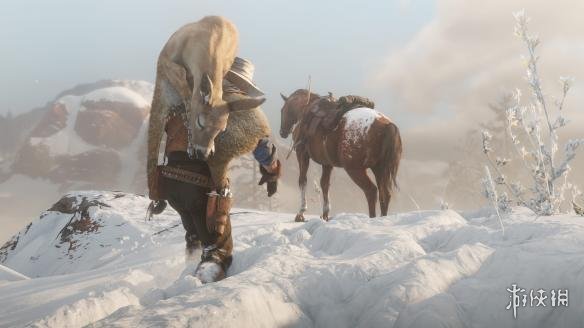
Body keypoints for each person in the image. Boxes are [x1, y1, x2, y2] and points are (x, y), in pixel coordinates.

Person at [150, 57, 280, 282]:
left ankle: (185, 279)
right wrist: (272, 171)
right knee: (217, 251)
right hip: (201, 190)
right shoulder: (235, 106)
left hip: (170, 183)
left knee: (195, 236)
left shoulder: (188, 97)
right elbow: (264, 150)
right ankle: (198, 301)